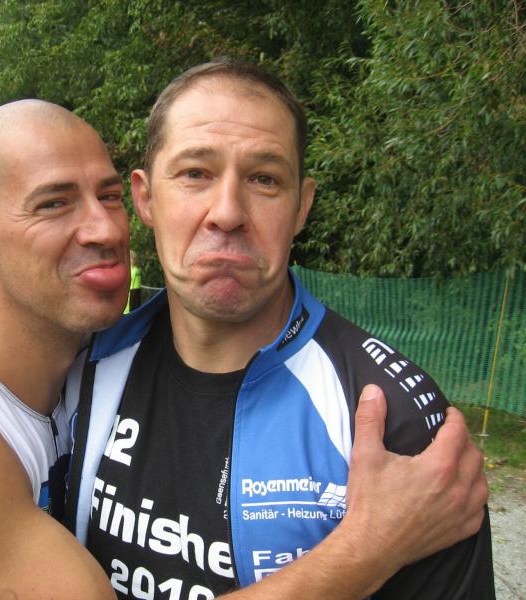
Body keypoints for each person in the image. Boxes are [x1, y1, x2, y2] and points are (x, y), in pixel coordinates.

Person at [0, 100, 486, 599]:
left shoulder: (92, 362)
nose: (105, 229)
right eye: (53, 204)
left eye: (108, 196)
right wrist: (368, 547)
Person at [64, 59, 494, 598]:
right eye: (195, 173)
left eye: (264, 179)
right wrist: (361, 555)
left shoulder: (391, 421)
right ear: (146, 198)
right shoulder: (76, 371)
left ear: (301, 207)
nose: (227, 213)